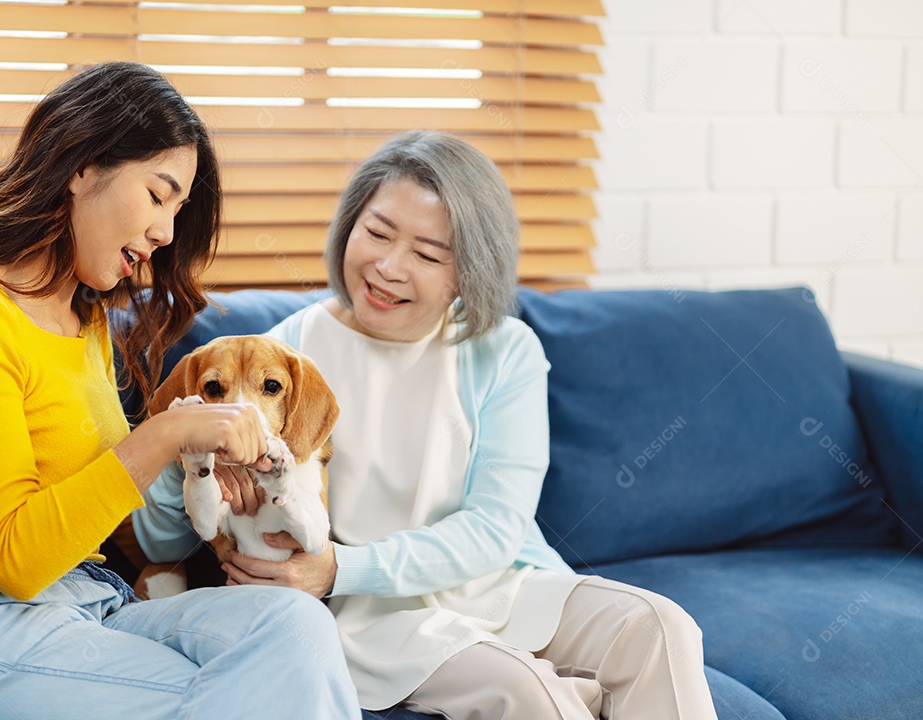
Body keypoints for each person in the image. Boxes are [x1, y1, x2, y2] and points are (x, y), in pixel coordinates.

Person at [137, 131, 721, 719]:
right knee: (530, 694)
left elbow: (496, 527)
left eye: (429, 253)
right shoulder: (276, 362)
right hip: (370, 614)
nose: (389, 268)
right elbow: (164, 541)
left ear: (469, 270)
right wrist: (185, 444)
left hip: (502, 581)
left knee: (662, 627)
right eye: (378, 233)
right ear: (349, 226)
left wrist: (342, 565)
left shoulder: (506, 350)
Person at [0, 61, 360, 720]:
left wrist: (214, 474)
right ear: (82, 166)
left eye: (178, 210)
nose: (165, 232)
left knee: (296, 630)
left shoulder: (88, 320)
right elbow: (16, 561)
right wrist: (166, 435)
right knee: (249, 694)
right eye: (159, 194)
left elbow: (97, 505)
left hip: (87, 608)